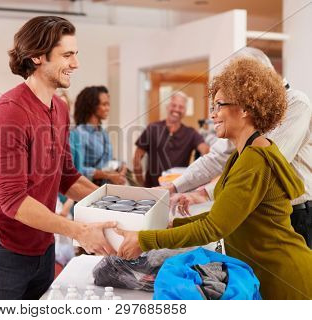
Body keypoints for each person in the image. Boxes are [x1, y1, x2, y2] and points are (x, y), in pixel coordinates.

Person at [115, 58, 312, 300]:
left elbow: (214, 228)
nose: (213, 114)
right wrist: (169, 226)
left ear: (245, 108)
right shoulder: (243, 153)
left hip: (286, 279)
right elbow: (221, 214)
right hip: (266, 273)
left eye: (219, 105)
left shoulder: (255, 158)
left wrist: (146, 240)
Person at [0, 16, 116, 300]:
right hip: (2, 250)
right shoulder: (10, 112)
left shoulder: (59, 108)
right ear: (37, 56)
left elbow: (67, 176)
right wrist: (79, 231)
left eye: (76, 54)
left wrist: (118, 202)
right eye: (67, 55)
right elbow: (12, 200)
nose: (75, 64)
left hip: (42, 246)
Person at [165, 47, 312, 248]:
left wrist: (205, 193)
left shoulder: (297, 103)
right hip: (260, 212)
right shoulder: (247, 117)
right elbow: (216, 157)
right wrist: (173, 186)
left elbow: (264, 165)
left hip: (298, 213)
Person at [133, 91, 210, 187]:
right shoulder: (152, 128)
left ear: (185, 111)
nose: (176, 109)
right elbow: (137, 158)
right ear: (167, 107)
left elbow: (205, 151)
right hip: (152, 189)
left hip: (178, 191)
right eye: (174, 105)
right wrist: (141, 184)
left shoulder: (191, 133)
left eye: (181, 107)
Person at [72, 85, 126, 186]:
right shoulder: (79, 134)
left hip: (106, 189)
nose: (108, 108)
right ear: (92, 106)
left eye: (108, 104)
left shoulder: (103, 132)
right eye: (104, 104)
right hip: (89, 191)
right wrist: (107, 175)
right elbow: (78, 169)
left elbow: (106, 161)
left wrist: (121, 165)